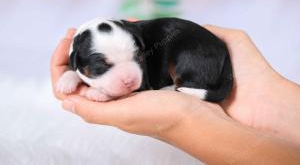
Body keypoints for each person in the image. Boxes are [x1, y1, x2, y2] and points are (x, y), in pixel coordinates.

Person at [51, 25, 300, 164]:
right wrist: (76, 76)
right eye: (102, 67)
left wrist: (181, 121)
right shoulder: (79, 59)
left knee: (184, 54)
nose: (128, 77)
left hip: (199, 57)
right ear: (77, 61)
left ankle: (194, 85)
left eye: (136, 58)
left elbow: (140, 82)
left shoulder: (135, 43)